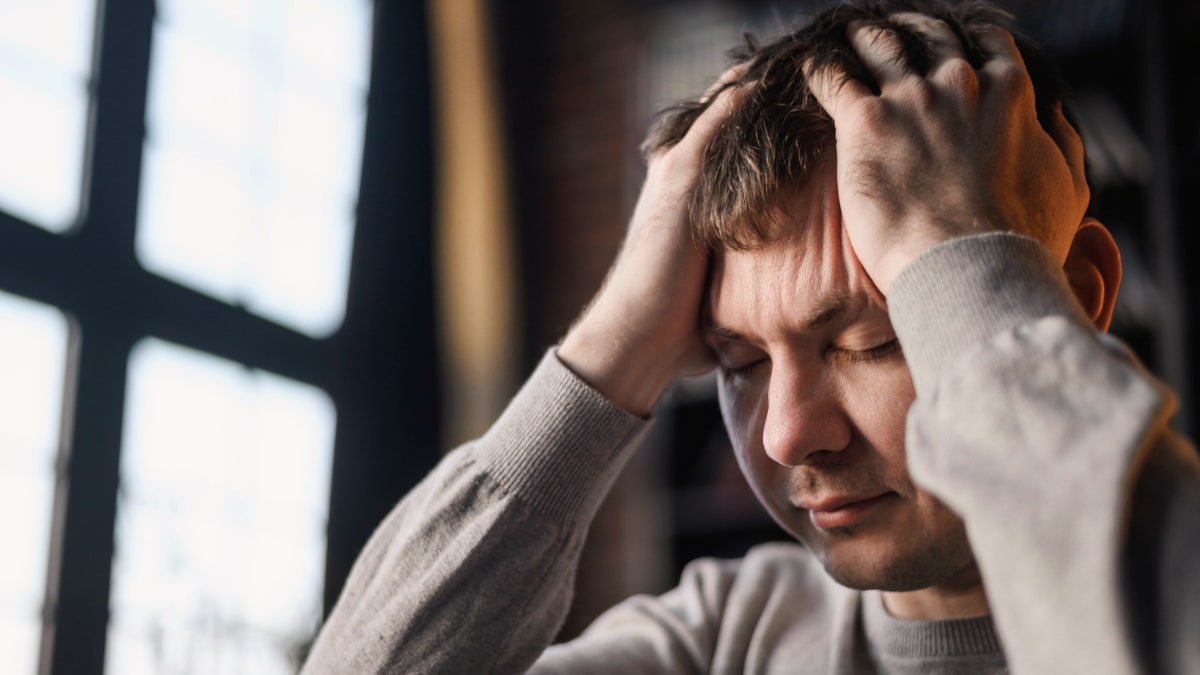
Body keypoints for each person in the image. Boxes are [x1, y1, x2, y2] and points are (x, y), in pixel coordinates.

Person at [301, 1, 1200, 673]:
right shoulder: (722, 637)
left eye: (873, 339)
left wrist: (962, 263)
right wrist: (615, 341)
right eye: (739, 361)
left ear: (1072, 299)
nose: (784, 434)